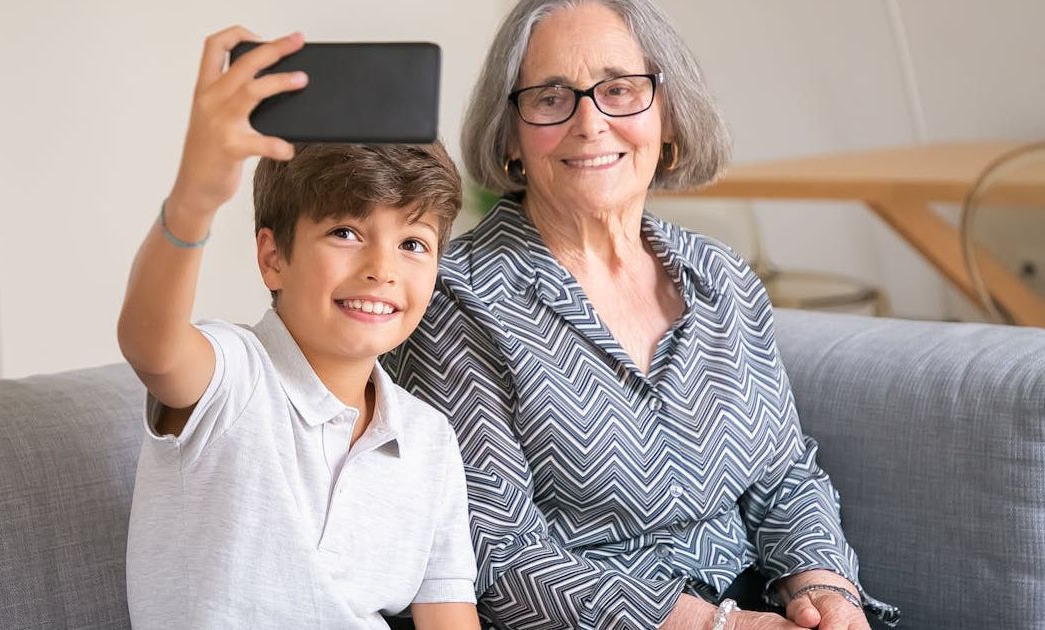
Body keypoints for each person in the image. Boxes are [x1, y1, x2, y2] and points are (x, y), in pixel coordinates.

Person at [382, 2, 901, 629]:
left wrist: (823, 589)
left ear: (668, 117)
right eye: (551, 98)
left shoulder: (722, 277)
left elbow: (785, 475)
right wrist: (720, 626)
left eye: (620, 90)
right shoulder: (455, 298)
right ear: (511, 138)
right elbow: (498, 561)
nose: (589, 122)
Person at [118, 27, 480, 630]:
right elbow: (151, 346)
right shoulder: (233, 377)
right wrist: (195, 197)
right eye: (346, 233)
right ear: (272, 257)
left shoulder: (429, 441)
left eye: (414, 243)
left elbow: (449, 614)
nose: (382, 270)